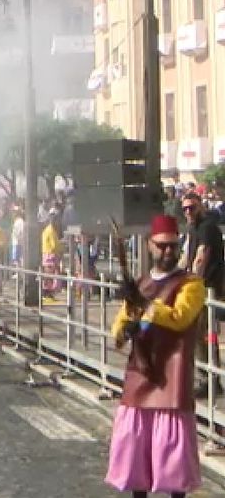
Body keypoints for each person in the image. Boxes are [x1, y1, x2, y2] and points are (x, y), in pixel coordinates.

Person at [105, 213, 203, 497]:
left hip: (171, 379)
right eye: (162, 246)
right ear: (150, 245)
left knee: (172, 462)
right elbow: (120, 327)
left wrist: (144, 304)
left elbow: (180, 317)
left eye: (173, 245)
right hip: (140, 375)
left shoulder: (190, 284)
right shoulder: (141, 283)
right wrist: (125, 329)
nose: (168, 251)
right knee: (136, 457)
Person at [181, 192, 223, 396]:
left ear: (201, 207)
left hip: (208, 289)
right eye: (185, 209)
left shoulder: (206, 227)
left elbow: (201, 258)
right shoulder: (193, 228)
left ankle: (210, 381)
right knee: (201, 336)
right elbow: (187, 256)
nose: (188, 212)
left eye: (192, 207)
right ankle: (208, 379)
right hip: (201, 289)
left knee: (205, 335)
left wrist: (190, 284)